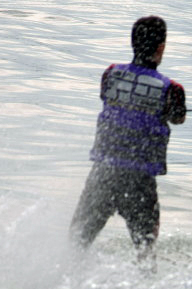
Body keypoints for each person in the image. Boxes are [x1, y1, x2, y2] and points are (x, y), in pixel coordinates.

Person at [70, 16, 186, 267]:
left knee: (76, 242)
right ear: (161, 47)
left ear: (132, 43)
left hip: (103, 174)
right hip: (139, 182)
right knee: (145, 252)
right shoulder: (172, 89)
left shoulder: (110, 74)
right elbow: (178, 118)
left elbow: (107, 97)